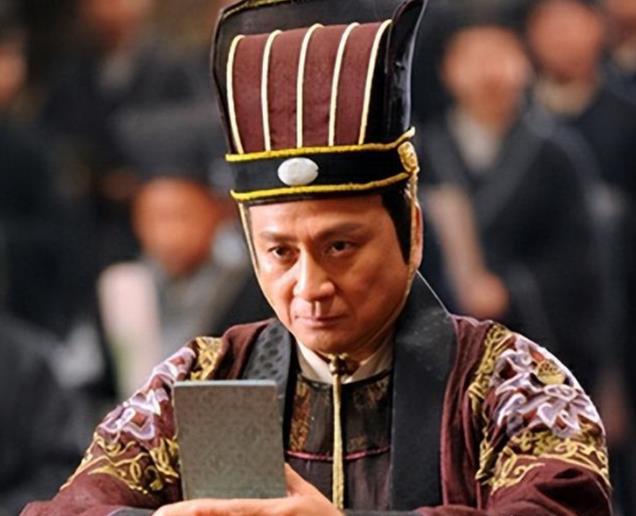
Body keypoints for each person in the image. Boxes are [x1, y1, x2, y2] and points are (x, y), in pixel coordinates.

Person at [22, 1, 611, 514]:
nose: (310, 286)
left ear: (411, 231)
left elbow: (561, 505)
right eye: (280, 251)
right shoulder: (205, 378)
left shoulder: (507, 381)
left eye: (340, 247)